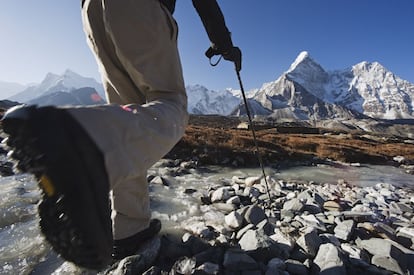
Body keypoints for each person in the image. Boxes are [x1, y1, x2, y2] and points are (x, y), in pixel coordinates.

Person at [1, 0, 241, 270]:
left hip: (91, 12)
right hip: (139, 7)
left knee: (127, 115)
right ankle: (88, 145)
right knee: (171, 104)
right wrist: (222, 42)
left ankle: (129, 228)